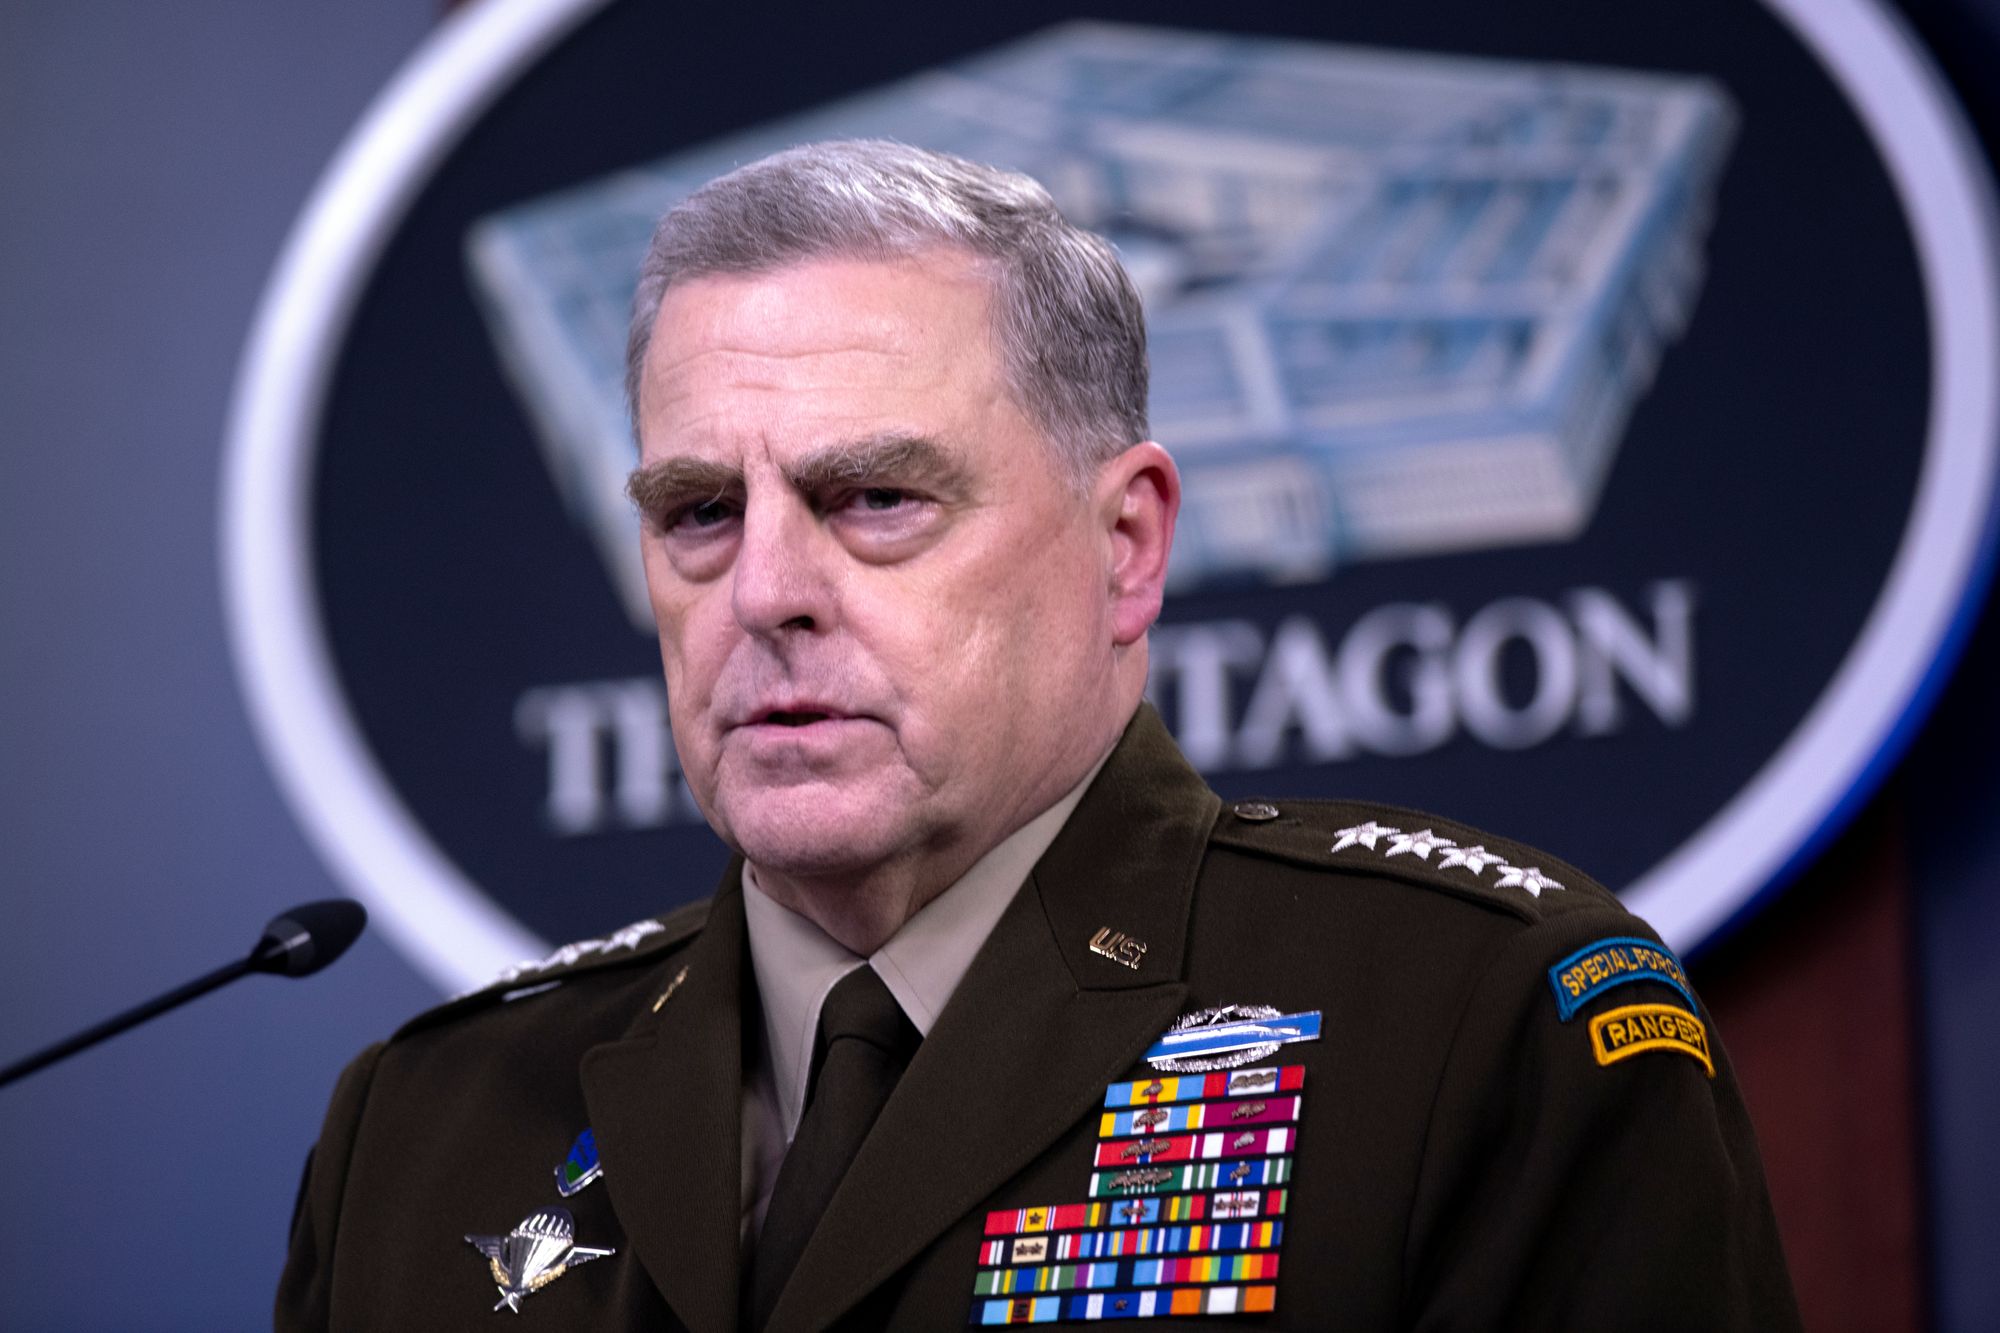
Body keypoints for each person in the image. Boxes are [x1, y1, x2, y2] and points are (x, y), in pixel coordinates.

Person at [277, 139, 1800, 1331]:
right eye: (698, 511)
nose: (764, 590)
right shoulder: (427, 1125)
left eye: (875, 498)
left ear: (1125, 545)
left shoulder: (1476, 1023)